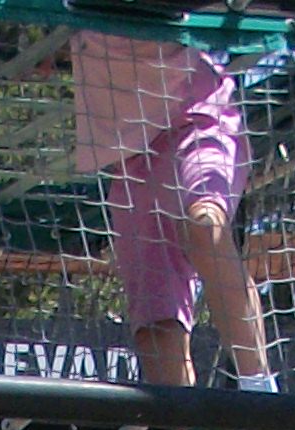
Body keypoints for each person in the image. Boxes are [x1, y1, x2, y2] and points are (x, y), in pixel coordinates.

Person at [72, 32, 275, 394]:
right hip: (131, 158)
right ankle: (183, 425)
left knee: (205, 225)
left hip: (196, 119)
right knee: (156, 323)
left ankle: (261, 388)